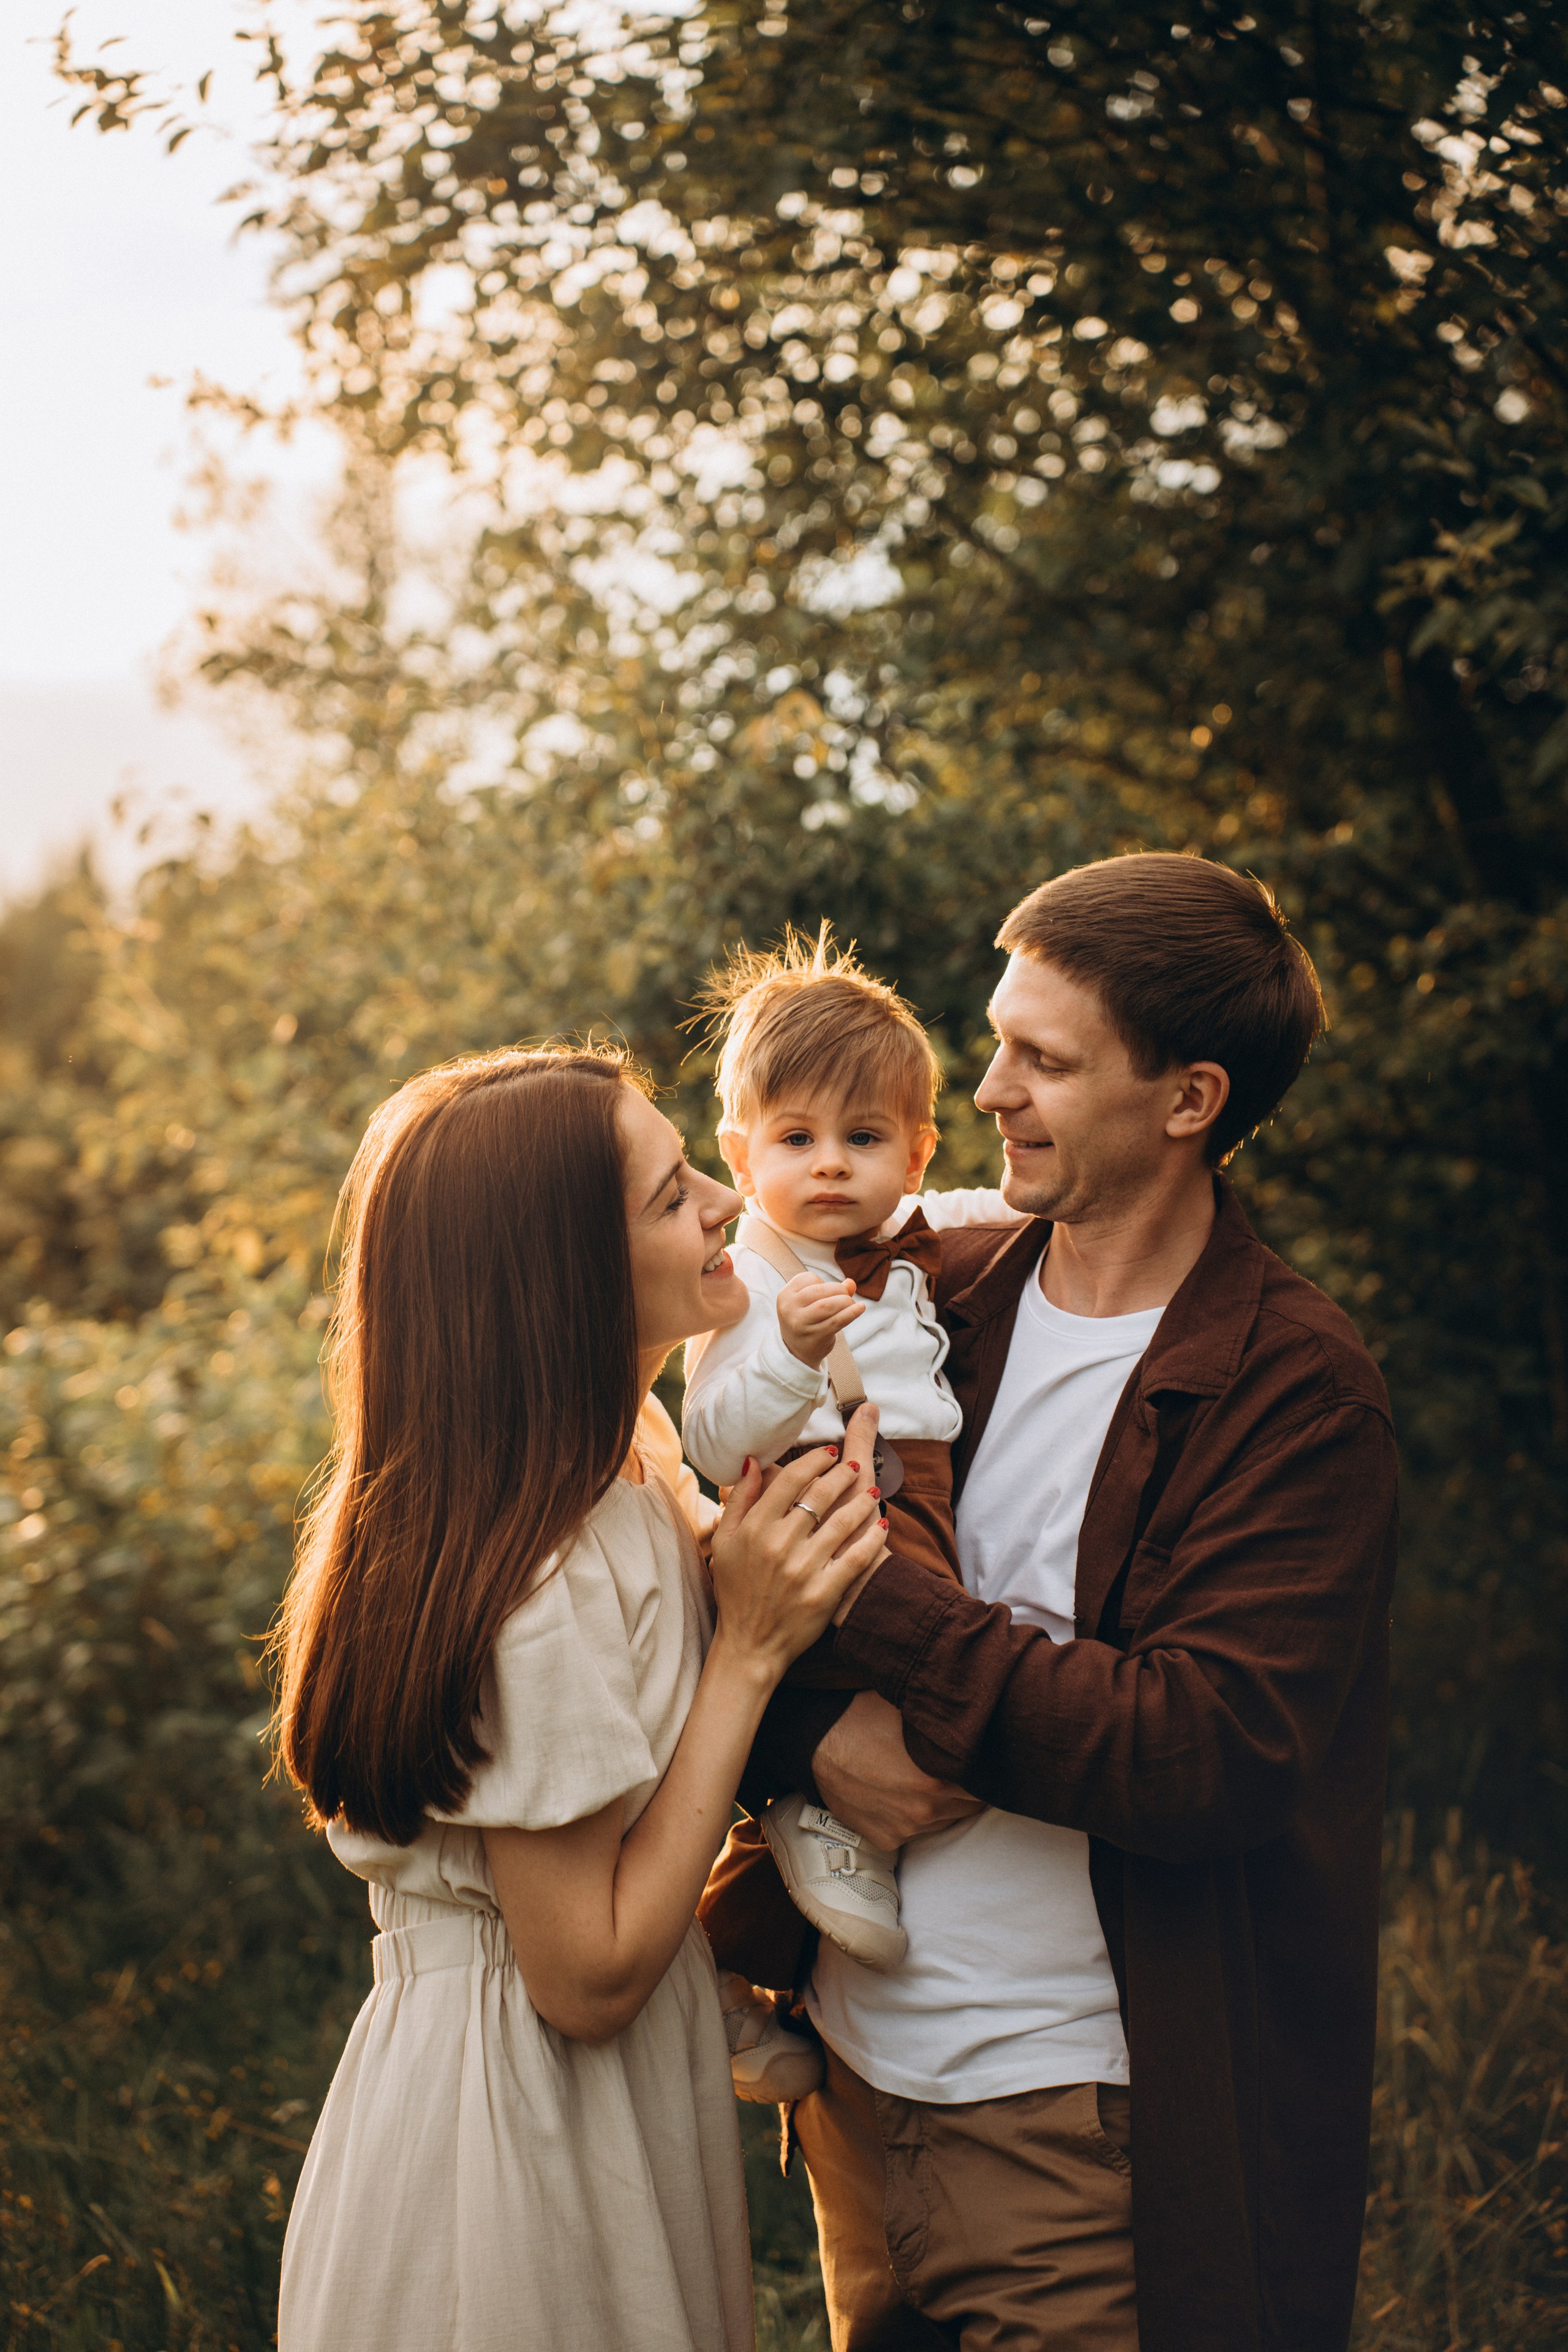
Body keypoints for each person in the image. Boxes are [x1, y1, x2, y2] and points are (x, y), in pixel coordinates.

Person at [739, 853, 1400, 2352]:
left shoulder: (1292, 1389)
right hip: (851, 2084)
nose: (984, 1092)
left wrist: (889, 1627)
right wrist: (814, 1745)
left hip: (1079, 2124)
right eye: (995, 1040)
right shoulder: (929, 1299)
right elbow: (738, 1581)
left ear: (1188, 1100)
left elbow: (1200, 1748)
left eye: (1042, 1060)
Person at [271, 1047, 887, 2352]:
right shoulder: (533, 1575)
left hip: (594, 2101)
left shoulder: (637, 1457)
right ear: (562, 1280)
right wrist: (748, 1652)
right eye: (672, 1198)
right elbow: (586, 1973)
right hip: (510, 2147)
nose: (727, 1201)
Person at [680, 929, 1015, 2087]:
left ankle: (748, 1963)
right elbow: (711, 1435)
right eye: (796, 1139)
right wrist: (783, 1355)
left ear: (914, 1153)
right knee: (959, 1702)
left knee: (930, 1710)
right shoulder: (749, 1283)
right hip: (821, 1498)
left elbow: (994, 1211)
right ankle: (792, 1830)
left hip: (912, 1489)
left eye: (863, 1140)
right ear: (741, 1150)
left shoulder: (902, 1237)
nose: (830, 1165)